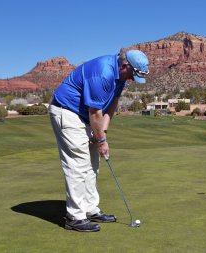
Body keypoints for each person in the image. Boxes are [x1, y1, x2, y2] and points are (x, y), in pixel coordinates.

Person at [49, 50, 149, 232]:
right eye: (133, 75)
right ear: (125, 66)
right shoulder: (104, 73)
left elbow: (111, 105)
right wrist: (101, 141)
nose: (133, 80)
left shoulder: (121, 77)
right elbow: (95, 113)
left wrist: (102, 134)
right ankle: (75, 217)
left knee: (93, 163)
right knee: (78, 164)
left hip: (86, 117)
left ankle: (90, 209)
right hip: (67, 111)